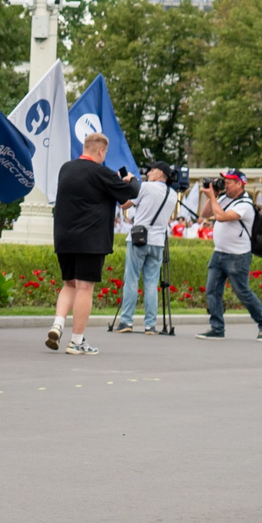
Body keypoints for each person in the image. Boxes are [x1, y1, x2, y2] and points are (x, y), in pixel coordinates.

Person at [48, 131, 137, 356]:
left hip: (64, 237)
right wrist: (130, 180)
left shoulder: (66, 169)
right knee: (85, 288)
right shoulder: (101, 173)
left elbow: (97, 196)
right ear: (101, 150)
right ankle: (76, 341)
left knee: (69, 284)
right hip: (90, 240)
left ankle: (57, 324)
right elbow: (131, 192)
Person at [194, 171, 262, 342]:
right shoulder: (224, 199)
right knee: (212, 291)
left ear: (240, 185)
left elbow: (221, 217)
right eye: (225, 181)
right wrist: (213, 195)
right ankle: (217, 328)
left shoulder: (245, 204)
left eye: (229, 182)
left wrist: (214, 198)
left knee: (242, 292)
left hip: (237, 256)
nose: (225, 184)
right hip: (219, 252)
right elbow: (206, 214)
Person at [113, 166, 172, 334]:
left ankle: (126, 321)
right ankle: (150, 325)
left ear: (160, 173)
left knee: (131, 279)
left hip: (139, 238)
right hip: (158, 241)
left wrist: (130, 181)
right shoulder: (172, 194)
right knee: (152, 284)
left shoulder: (145, 187)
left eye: (152, 171)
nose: (148, 173)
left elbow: (124, 204)